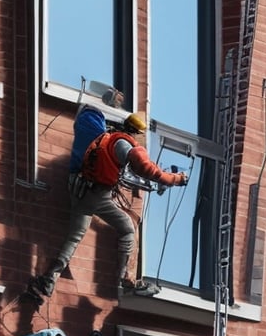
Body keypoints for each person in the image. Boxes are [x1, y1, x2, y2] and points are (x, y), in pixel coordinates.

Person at [30, 107, 187, 300]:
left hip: (78, 188)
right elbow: (146, 168)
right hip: (96, 195)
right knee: (128, 228)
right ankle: (126, 278)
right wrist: (175, 179)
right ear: (136, 133)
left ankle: (49, 278)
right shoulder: (124, 145)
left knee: (74, 237)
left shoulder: (104, 136)